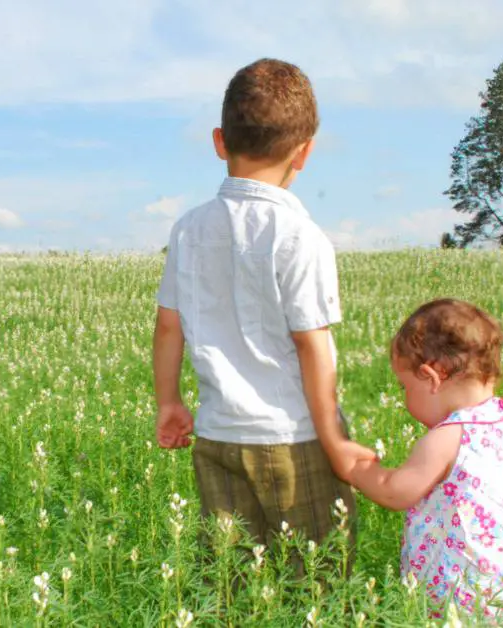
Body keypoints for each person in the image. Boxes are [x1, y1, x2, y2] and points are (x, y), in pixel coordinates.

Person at [152, 58, 375, 557]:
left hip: (217, 437)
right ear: (304, 153)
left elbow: (169, 327)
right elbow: (311, 343)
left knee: (233, 585)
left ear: (219, 141)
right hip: (293, 440)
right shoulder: (299, 235)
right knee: (315, 582)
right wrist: (334, 440)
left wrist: (169, 402)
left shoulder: (188, 229)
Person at [349, 299, 503, 625]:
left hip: (477, 608)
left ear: (430, 378)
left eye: (404, 387)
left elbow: (394, 491)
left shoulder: (449, 437)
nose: (404, 397)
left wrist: (351, 465)